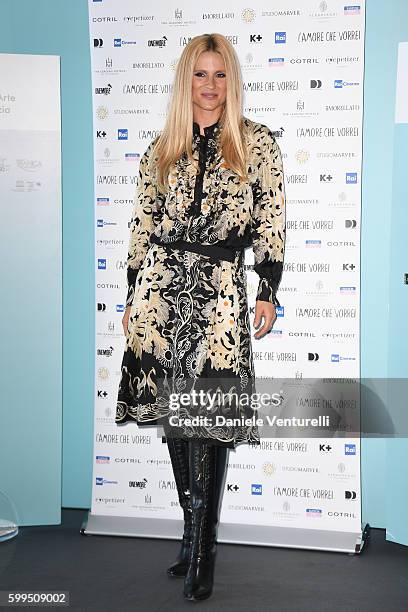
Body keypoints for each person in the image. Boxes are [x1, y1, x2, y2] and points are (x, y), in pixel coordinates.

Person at [116, 33, 286, 602]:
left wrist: (267, 286)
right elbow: (142, 225)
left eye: (219, 75)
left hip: (216, 291)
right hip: (161, 290)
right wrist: (130, 296)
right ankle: (190, 538)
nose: (209, 87)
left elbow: (271, 219)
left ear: (230, 82)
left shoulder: (256, 143)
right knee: (174, 416)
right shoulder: (160, 148)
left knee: (206, 421)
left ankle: (204, 546)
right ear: (184, 79)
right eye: (199, 74)